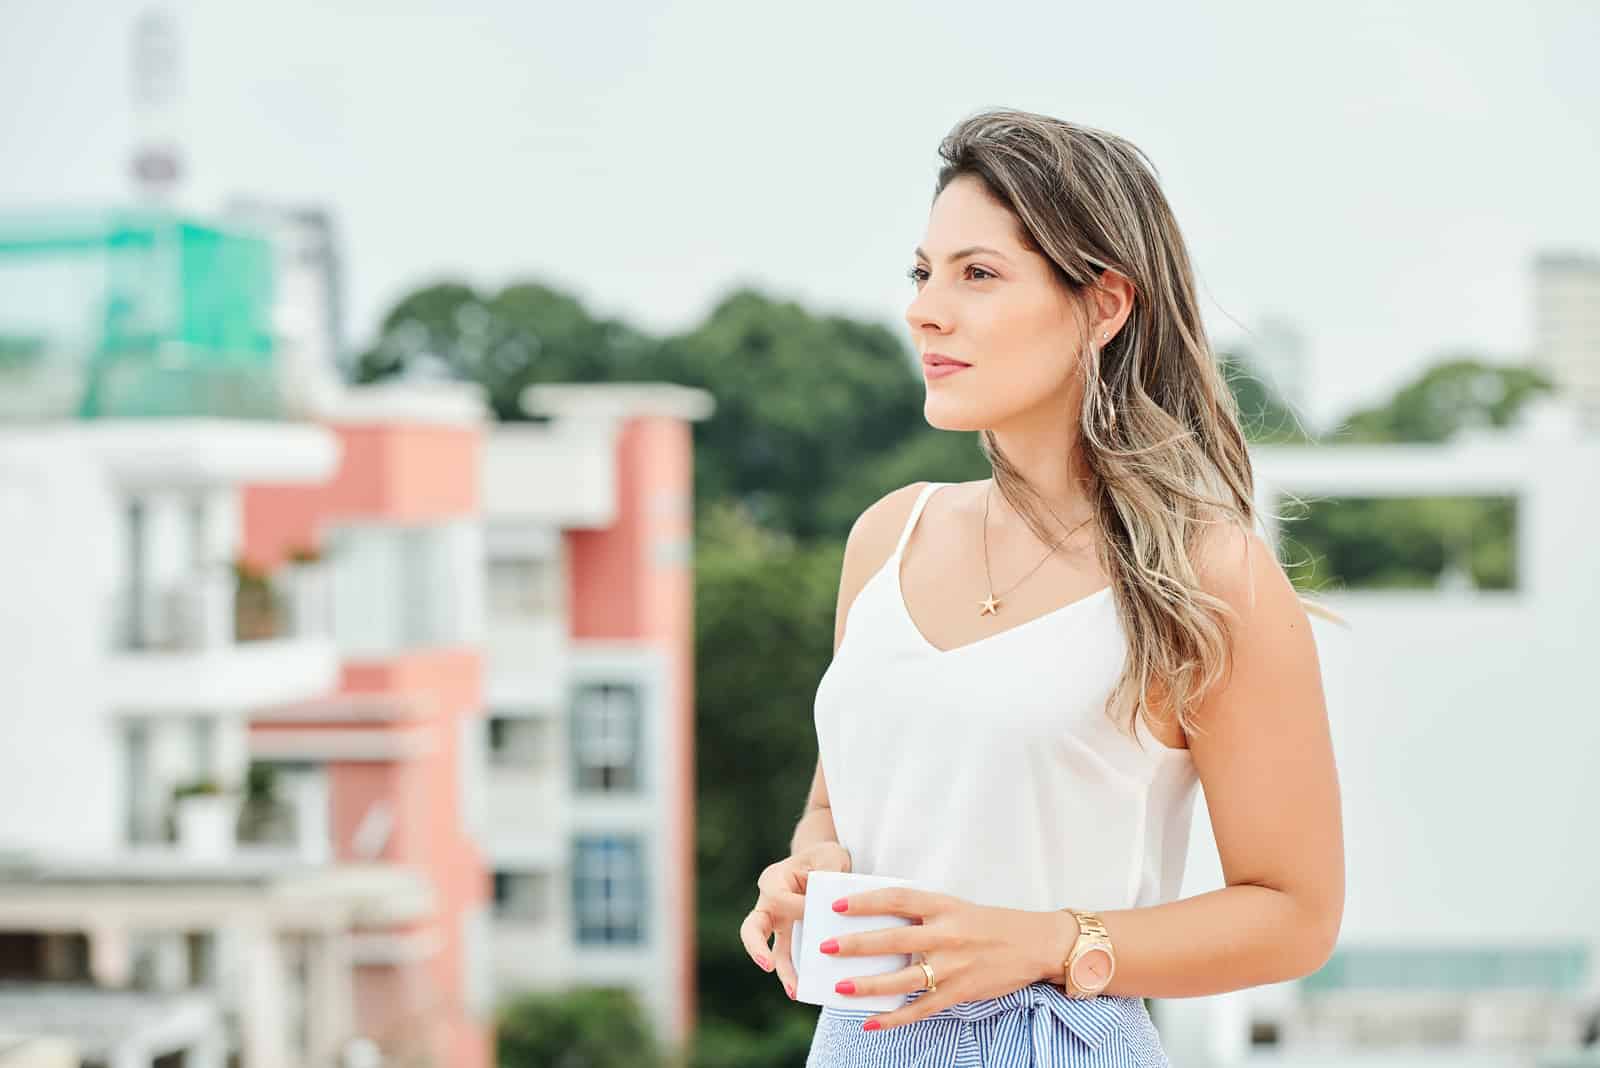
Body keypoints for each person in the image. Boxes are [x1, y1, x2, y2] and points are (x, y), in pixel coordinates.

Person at [737, 108, 1346, 1067]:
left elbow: (1295, 916)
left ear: (1103, 305)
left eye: (977, 273)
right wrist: (811, 868)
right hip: (857, 1041)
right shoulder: (887, 536)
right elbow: (836, 808)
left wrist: (1048, 943)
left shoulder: (1207, 575)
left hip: (1058, 1042)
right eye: (922, 272)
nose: (925, 309)